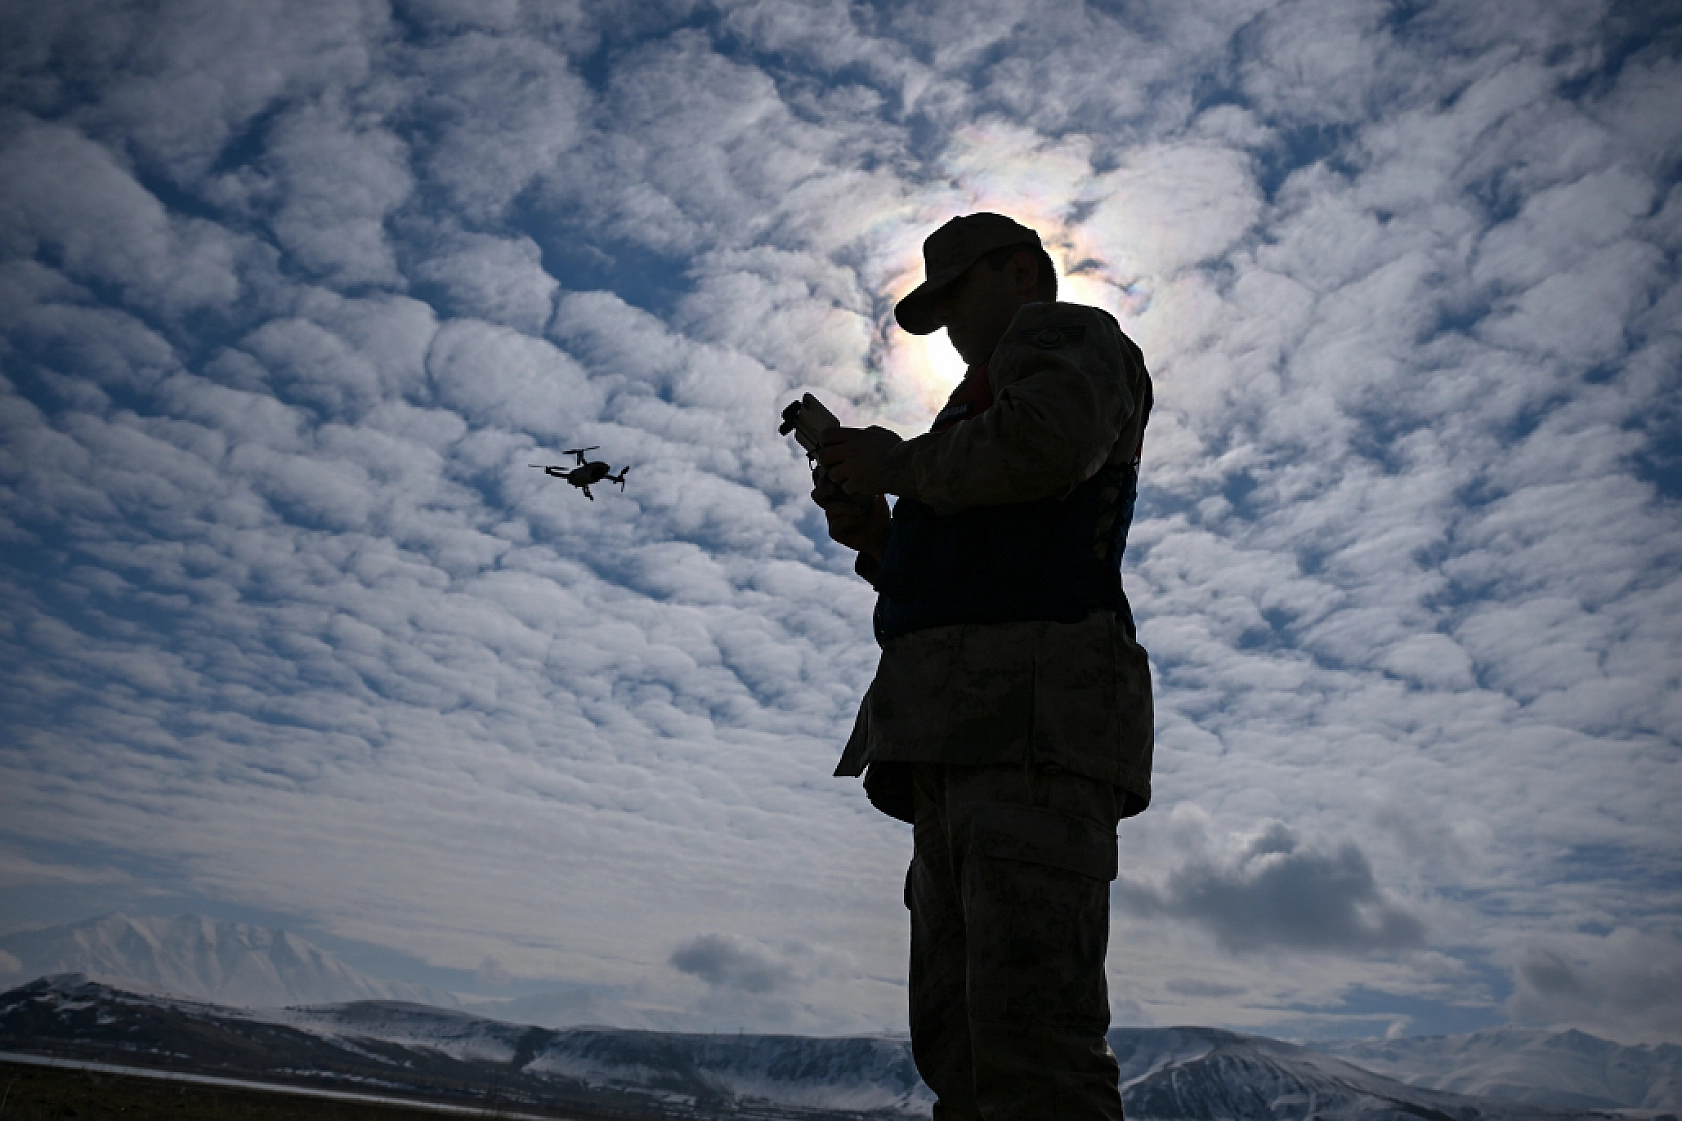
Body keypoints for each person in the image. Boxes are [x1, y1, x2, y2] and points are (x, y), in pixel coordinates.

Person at [812, 212, 1154, 1121]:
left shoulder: (1067, 338)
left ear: (1020, 274)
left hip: (1028, 738)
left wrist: (900, 462)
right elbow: (980, 571)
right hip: (964, 744)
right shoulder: (974, 412)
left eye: (958, 293)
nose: (953, 325)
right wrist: (880, 536)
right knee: (963, 1050)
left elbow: (1048, 447)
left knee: (1033, 1052)